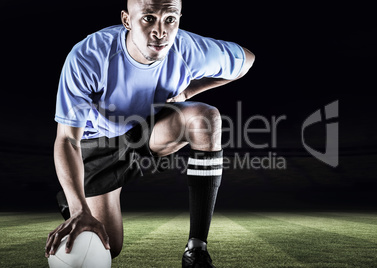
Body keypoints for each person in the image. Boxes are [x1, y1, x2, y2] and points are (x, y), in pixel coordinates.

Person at [45, 0, 255, 266]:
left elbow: (247, 60)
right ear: (127, 20)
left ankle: (196, 250)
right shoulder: (89, 55)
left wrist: (189, 92)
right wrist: (79, 209)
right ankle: (78, 206)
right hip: (96, 145)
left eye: (170, 19)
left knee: (206, 118)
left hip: (148, 131)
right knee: (105, 247)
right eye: (148, 18)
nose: (160, 31)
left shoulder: (187, 49)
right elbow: (66, 139)